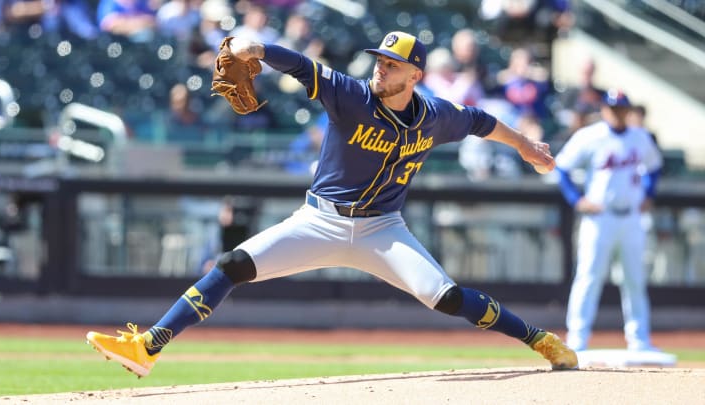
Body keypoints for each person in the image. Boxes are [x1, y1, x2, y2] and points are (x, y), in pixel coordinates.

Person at [86, 31, 578, 377]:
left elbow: (480, 121)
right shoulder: (351, 96)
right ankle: (148, 345)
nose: (379, 68)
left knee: (446, 298)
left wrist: (525, 146)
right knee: (233, 264)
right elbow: (302, 66)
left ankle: (539, 338)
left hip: (382, 231)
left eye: (390, 64)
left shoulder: (436, 116)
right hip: (318, 221)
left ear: (415, 74)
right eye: (379, 60)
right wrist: (255, 48)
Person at [554, 89, 663, 352]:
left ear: (628, 110)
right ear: (604, 110)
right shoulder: (591, 136)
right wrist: (577, 200)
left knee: (634, 280)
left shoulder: (640, 137)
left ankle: (639, 340)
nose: (616, 113)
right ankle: (577, 340)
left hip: (631, 218)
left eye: (621, 108)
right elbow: (562, 167)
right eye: (612, 108)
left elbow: (654, 166)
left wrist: (649, 193)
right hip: (599, 218)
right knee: (588, 278)